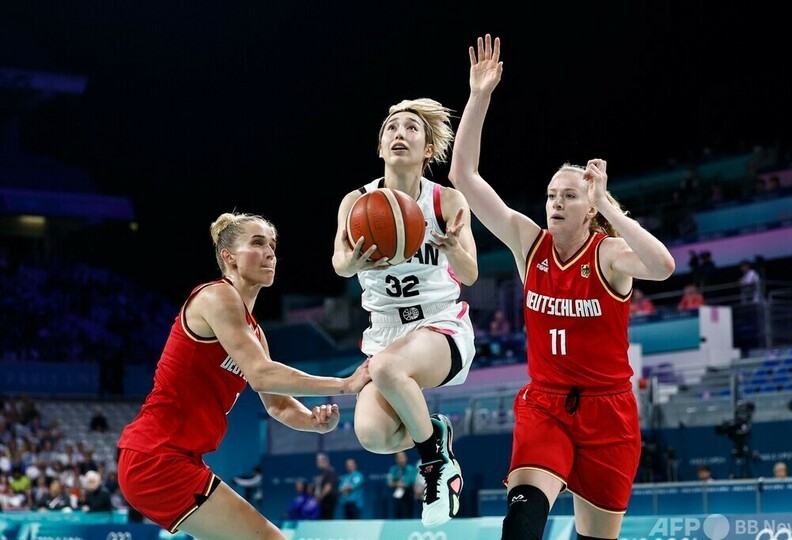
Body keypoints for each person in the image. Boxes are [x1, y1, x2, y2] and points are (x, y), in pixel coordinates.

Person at [448, 34, 676, 540]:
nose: (555, 202)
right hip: (546, 405)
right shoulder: (528, 243)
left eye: (569, 196)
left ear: (590, 208)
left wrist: (611, 206)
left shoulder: (608, 254)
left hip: (609, 412)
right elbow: (464, 175)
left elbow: (663, 266)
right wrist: (479, 96)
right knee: (522, 521)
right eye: (552, 194)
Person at [117, 212, 371, 539]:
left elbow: (278, 405)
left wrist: (313, 421)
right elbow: (262, 375)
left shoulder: (256, 334)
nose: (270, 253)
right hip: (156, 455)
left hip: (181, 458)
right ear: (229, 257)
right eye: (258, 243)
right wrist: (345, 385)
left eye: (273, 246)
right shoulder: (216, 296)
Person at [331, 96, 478, 527]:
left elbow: (469, 273)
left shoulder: (446, 201)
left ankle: (435, 464)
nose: (400, 133)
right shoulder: (357, 202)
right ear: (380, 147)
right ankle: (436, 433)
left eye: (412, 128)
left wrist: (453, 248)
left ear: (427, 149)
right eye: (391, 128)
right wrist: (352, 262)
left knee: (386, 368)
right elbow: (339, 263)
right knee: (373, 435)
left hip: (440, 325)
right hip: (386, 332)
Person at [387, 451, 418, 519]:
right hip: (396, 496)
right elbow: (389, 482)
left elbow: (412, 482)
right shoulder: (393, 469)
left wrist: (403, 484)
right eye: (399, 458)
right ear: (396, 459)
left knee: (408, 516)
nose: (401, 460)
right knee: (397, 516)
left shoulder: (411, 469)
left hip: (408, 495)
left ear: (406, 458)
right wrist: (398, 483)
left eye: (402, 457)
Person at [314, 452, 338, 520]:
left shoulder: (330, 472)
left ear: (325, 461)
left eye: (319, 461)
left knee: (327, 518)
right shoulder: (323, 473)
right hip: (323, 500)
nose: (317, 463)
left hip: (328, 500)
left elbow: (328, 487)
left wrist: (320, 497)